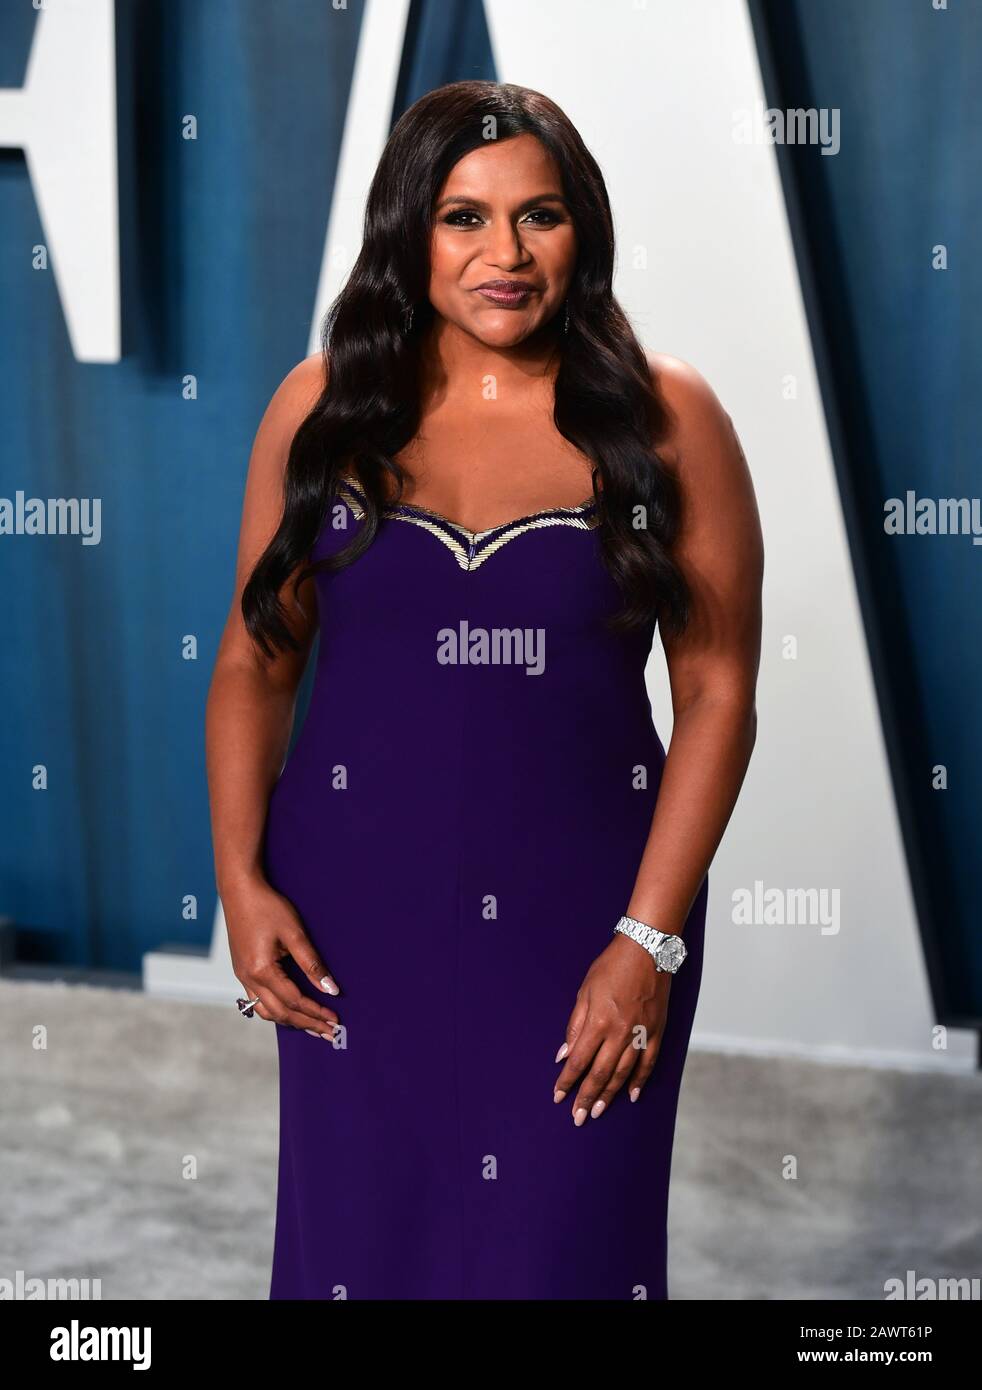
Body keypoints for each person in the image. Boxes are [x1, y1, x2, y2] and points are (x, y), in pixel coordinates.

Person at [205, 80, 763, 1300]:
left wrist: (647, 941)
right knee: (362, 1248)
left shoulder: (669, 420)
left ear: (585, 230)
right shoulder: (324, 408)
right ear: (410, 231)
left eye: (539, 216)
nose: (502, 255)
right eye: (462, 217)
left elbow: (717, 692)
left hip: (594, 922)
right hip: (355, 921)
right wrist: (240, 883)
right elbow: (256, 659)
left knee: (568, 1251)